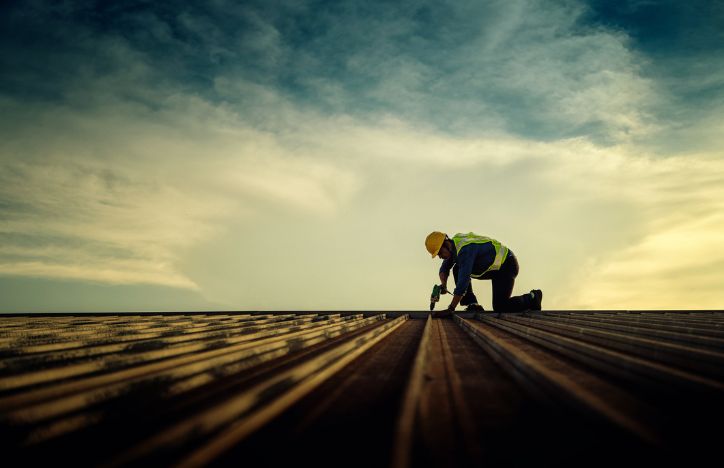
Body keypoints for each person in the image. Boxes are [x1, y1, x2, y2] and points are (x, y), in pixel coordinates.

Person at [425, 231, 542, 316]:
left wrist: (450, 309)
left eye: (440, 253)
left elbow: (463, 282)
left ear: (446, 243)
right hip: (494, 269)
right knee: (457, 268)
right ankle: (472, 304)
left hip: (506, 265)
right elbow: (444, 269)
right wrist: (444, 285)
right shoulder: (454, 246)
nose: (440, 257)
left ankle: (532, 298)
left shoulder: (465, 250)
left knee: (501, 306)